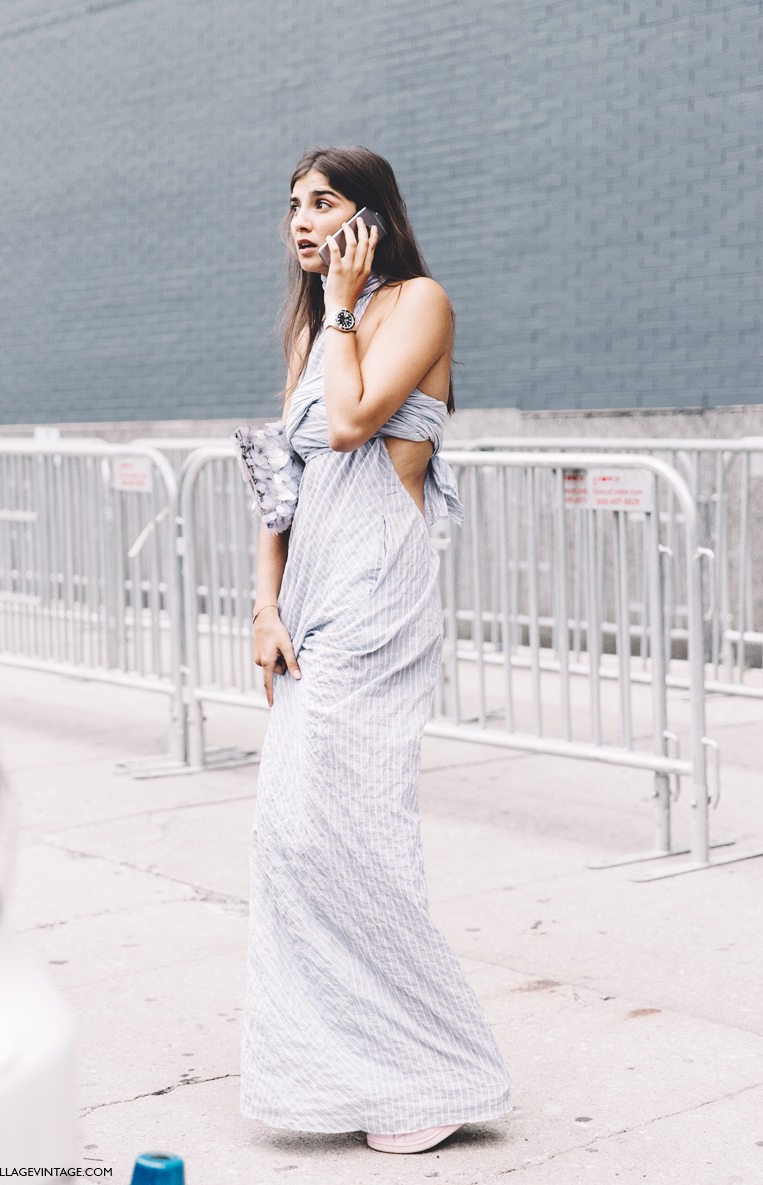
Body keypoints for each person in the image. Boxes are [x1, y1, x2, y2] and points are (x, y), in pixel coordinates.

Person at [238, 145, 511, 1156]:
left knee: (346, 824)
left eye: (324, 203)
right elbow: (281, 475)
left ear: (372, 218)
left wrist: (347, 307)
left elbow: (352, 427)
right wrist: (263, 607)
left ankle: (431, 1070)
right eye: (294, 205)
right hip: (309, 589)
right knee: (289, 833)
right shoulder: (312, 328)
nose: (302, 221)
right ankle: (358, 1058)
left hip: (377, 583)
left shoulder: (414, 303)